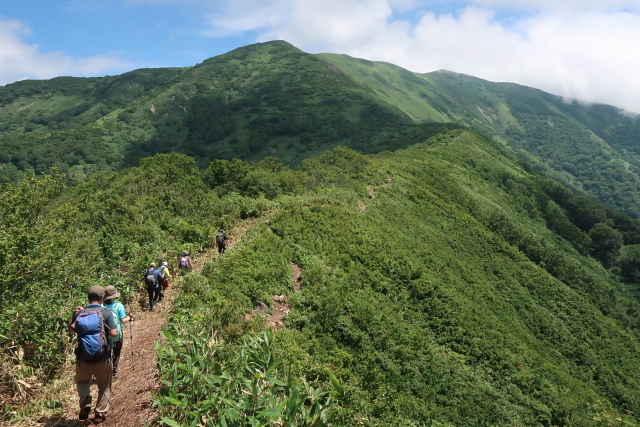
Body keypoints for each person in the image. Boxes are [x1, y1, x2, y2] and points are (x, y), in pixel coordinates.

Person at [68, 286, 118, 424]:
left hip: (83, 358)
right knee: (105, 385)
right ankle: (99, 414)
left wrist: (74, 315)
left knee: (82, 381)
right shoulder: (105, 312)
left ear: (88, 298)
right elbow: (114, 334)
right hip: (103, 357)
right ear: (103, 298)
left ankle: (85, 404)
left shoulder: (80, 313)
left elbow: (71, 330)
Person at [103, 285, 130, 378]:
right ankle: (114, 371)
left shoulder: (101, 307)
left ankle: (106, 371)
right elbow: (123, 320)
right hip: (117, 334)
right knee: (117, 352)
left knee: (106, 353)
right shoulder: (119, 306)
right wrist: (129, 317)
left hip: (105, 335)